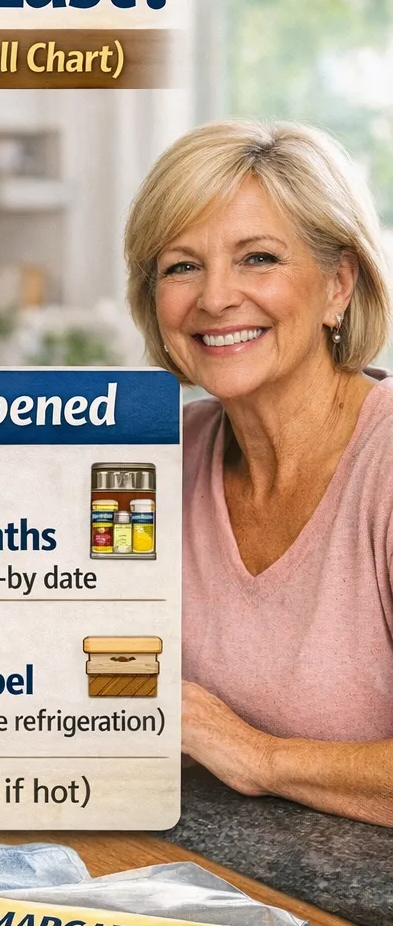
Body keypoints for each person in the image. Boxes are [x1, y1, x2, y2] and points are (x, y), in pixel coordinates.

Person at [125, 119, 393, 827]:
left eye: (258, 258)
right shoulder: (149, 463)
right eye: (182, 266)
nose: (215, 298)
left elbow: (226, 748)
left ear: (339, 285)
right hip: (194, 868)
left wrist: (256, 755)